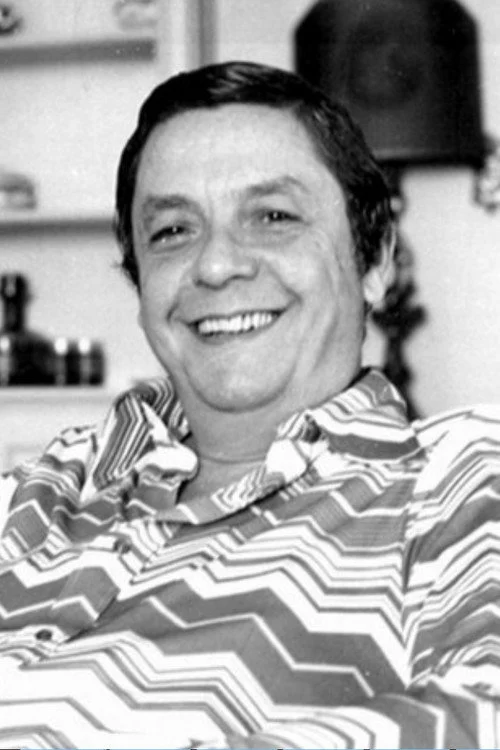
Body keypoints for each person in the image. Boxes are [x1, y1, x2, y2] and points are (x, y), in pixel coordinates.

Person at [0, 60, 498, 749]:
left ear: (377, 259)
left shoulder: (460, 479)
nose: (215, 265)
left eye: (273, 217)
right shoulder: (46, 487)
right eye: (173, 231)